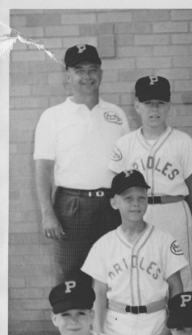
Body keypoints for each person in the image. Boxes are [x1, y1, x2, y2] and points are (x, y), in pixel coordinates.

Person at [34, 44, 130, 283]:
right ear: (68, 75)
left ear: (101, 73)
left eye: (92, 69)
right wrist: (47, 213)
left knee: (115, 275)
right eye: (79, 70)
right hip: (71, 207)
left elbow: (128, 168)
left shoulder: (116, 114)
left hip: (112, 205)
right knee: (71, 277)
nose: (87, 76)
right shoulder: (52, 116)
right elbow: (44, 171)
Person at [81, 170, 187, 335]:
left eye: (141, 197)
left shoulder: (164, 240)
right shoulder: (104, 245)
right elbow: (99, 292)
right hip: (117, 323)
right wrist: (98, 332)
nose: (136, 203)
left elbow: (177, 289)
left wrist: (167, 331)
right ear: (114, 202)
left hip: (155, 321)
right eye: (128, 198)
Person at [109, 76, 192, 291]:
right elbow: (115, 189)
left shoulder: (183, 141)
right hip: (137, 212)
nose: (154, 109)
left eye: (160, 103)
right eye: (148, 103)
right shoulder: (125, 144)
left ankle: (182, 320)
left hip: (173, 211)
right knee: (140, 269)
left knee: (180, 271)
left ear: (168, 106)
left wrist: (182, 212)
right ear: (137, 106)